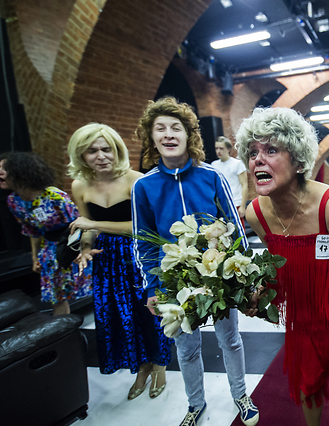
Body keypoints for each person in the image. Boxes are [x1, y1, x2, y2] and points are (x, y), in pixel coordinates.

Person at [237, 107, 329, 426]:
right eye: (253, 152)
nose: (258, 160)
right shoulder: (255, 214)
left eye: (271, 150)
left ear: (298, 161)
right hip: (301, 315)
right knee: (307, 384)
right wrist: (260, 294)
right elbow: (277, 262)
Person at [131, 96, 258, 426]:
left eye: (176, 128)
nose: (168, 134)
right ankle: (195, 404)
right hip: (174, 280)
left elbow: (235, 226)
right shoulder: (143, 186)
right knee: (186, 349)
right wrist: (152, 288)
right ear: (152, 138)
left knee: (230, 340)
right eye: (160, 129)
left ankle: (241, 394)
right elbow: (143, 241)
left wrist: (245, 277)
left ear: (189, 135)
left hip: (219, 273)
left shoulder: (211, 176)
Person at [67, 123, 172, 400]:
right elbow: (87, 229)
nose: (101, 156)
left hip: (139, 254)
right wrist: (86, 248)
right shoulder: (79, 185)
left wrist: (93, 225)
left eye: (107, 149)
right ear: (81, 154)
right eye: (92, 151)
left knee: (150, 311)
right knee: (120, 315)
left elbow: (145, 228)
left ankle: (160, 365)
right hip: (106, 260)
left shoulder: (136, 180)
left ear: (117, 150)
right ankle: (141, 366)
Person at [0, 151, 92, 315]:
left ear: (20, 171)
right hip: (49, 249)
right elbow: (33, 231)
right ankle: (63, 329)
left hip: (72, 243)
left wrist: (77, 250)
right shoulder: (14, 202)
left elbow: (79, 223)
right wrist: (35, 257)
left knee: (89, 287)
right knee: (56, 297)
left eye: (4, 169)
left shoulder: (54, 197)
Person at [211, 136, 248, 225]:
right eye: (216, 148)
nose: (218, 151)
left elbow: (244, 184)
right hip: (221, 205)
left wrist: (242, 206)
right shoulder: (214, 165)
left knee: (238, 230)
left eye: (221, 148)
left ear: (228, 149)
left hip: (236, 203)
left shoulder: (237, 163)